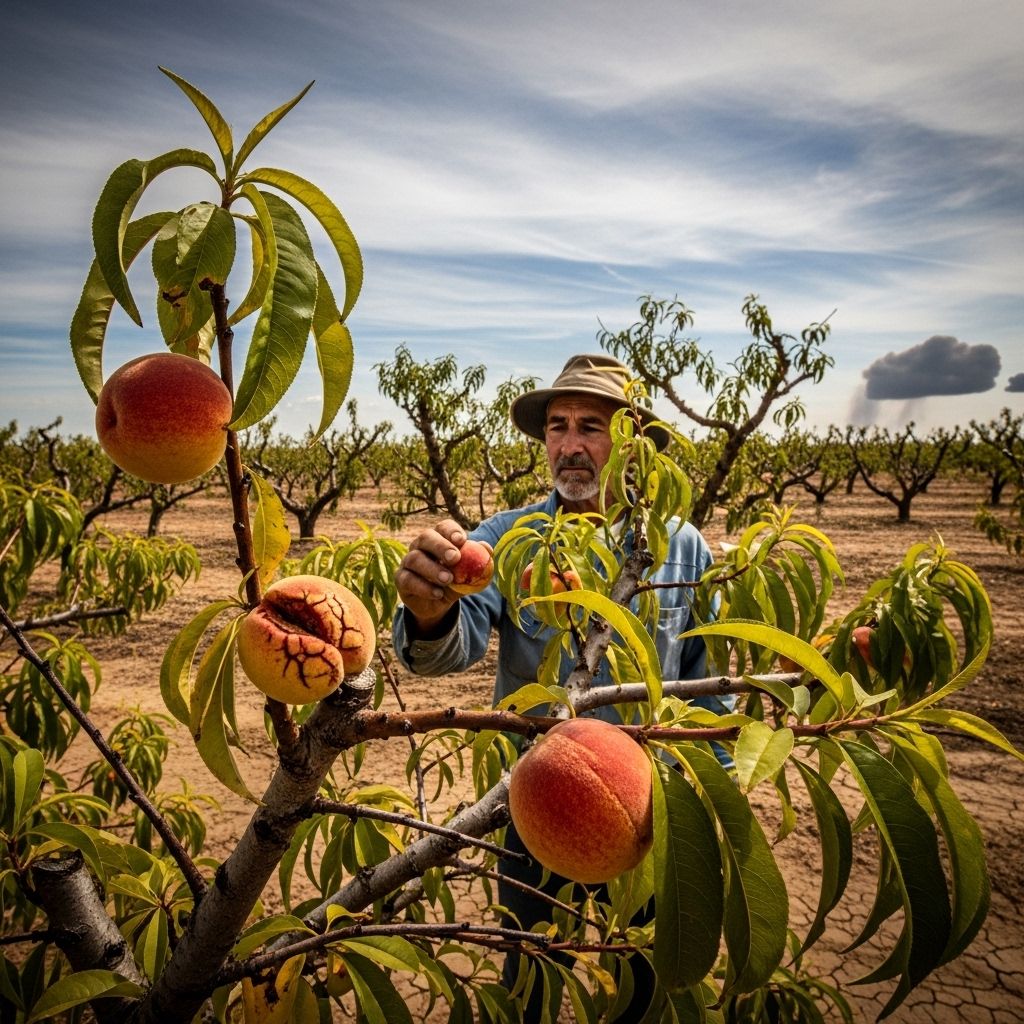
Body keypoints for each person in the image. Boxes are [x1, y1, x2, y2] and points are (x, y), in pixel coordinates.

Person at [392, 353, 729, 1020]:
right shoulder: (509, 539)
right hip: (538, 806)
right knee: (533, 978)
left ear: (631, 443)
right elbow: (448, 650)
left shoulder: (682, 549)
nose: (570, 446)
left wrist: (710, 801)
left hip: (644, 816)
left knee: (640, 984)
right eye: (557, 426)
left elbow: (707, 691)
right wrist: (429, 613)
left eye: (592, 427)